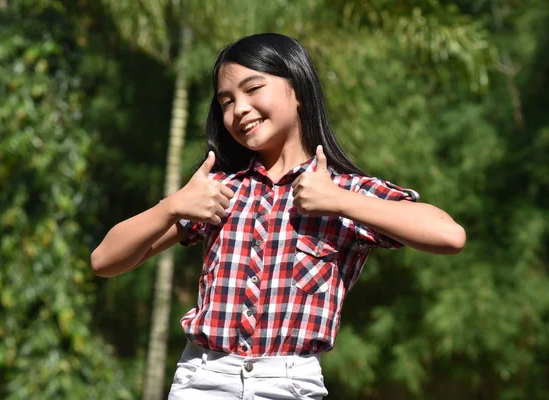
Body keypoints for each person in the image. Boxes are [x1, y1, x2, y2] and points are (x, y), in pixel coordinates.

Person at [91, 33, 466, 400]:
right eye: (226, 101)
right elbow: (104, 261)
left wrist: (339, 201)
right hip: (203, 379)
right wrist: (171, 206)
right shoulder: (217, 191)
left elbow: (449, 236)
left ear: (299, 91)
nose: (239, 109)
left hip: (289, 382)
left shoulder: (342, 192)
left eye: (253, 89)